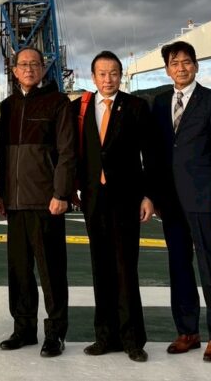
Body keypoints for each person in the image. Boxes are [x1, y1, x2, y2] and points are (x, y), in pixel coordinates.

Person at [153, 40, 211, 363]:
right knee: (179, 265)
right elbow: (157, 154)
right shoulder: (160, 103)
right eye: (174, 63)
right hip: (170, 200)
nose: (181, 68)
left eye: (186, 62)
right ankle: (187, 331)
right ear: (167, 70)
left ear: (196, 66)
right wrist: (154, 195)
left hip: (202, 197)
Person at [75, 50, 157, 362]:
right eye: (102, 74)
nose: (108, 79)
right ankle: (105, 337)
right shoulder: (79, 108)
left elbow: (150, 154)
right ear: (93, 77)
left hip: (126, 198)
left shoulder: (136, 106)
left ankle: (133, 340)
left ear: (120, 76)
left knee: (125, 267)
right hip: (93, 198)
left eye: (113, 73)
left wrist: (148, 195)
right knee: (100, 267)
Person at [0, 46, 76, 358]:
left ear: (43, 69)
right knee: (19, 271)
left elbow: (67, 151)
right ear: (14, 70)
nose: (28, 69)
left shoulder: (58, 102)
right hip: (15, 203)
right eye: (23, 64)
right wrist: (3, 194)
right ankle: (24, 328)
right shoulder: (8, 106)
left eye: (34, 64)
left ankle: (55, 332)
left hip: (46, 201)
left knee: (51, 271)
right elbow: (2, 155)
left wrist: (61, 193)